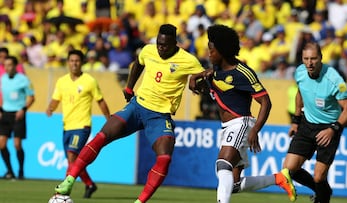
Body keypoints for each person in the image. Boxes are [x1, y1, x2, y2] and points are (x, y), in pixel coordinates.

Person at [53, 24, 204, 203]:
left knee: (164, 158)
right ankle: (69, 181)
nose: (160, 48)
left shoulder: (188, 60)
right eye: (159, 44)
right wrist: (129, 87)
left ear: (174, 43)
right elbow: (138, 64)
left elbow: (204, 78)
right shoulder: (148, 50)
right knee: (102, 136)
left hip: (159, 116)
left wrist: (197, 82)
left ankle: (140, 202)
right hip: (137, 107)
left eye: (165, 45)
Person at [188, 24, 296, 203]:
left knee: (222, 164)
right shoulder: (216, 71)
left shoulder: (242, 73)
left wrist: (255, 130)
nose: (209, 54)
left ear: (221, 51)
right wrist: (195, 77)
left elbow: (266, 102)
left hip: (241, 124)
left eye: (211, 50)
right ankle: (279, 179)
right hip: (227, 127)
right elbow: (211, 76)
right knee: (233, 184)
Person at [284, 42, 347, 203]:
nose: (309, 63)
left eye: (313, 59)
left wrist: (333, 129)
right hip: (306, 124)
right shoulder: (300, 72)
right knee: (289, 170)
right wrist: (296, 121)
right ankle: (322, 191)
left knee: (319, 177)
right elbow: (300, 93)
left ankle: (322, 196)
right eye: (306, 59)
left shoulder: (335, 80)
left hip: (329, 128)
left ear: (321, 58)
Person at [46, 49, 110, 198]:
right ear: (68, 63)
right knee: (73, 160)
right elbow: (56, 98)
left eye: (77, 61)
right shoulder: (62, 81)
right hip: (67, 126)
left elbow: (100, 100)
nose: (74, 63)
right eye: (72, 60)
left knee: (72, 155)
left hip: (82, 125)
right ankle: (90, 184)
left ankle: (63, 191)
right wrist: (50, 107)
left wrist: (108, 117)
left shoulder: (89, 81)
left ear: (82, 63)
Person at [0, 55, 35, 179]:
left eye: (10, 65)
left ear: (15, 66)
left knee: (17, 144)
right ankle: (10, 171)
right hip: (5, 114)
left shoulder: (23, 80)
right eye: (5, 65)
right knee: (1, 144)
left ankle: (21, 170)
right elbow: (2, 96)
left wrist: (23, 109)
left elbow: (31, 97)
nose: (7, 68)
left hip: (18, 115)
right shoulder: (2, 79)